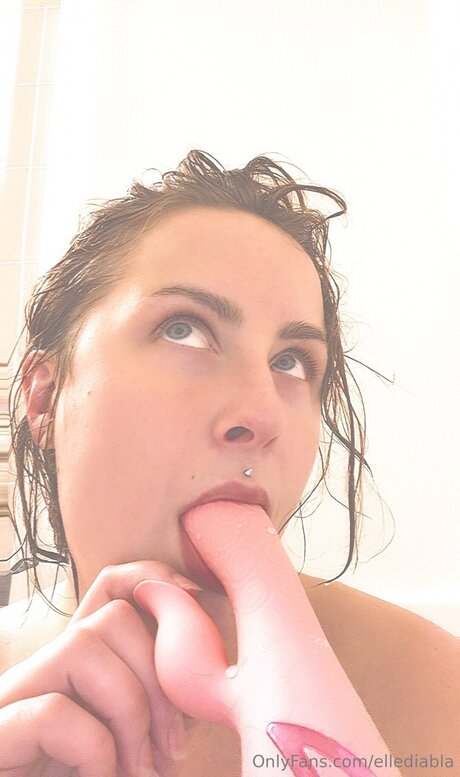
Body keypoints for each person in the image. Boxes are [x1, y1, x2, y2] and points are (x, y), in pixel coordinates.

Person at [0, 150, 457, 777]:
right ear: (45, 397)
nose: (262, 415)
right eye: (184, 329)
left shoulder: (434, 691)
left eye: (292, 361)